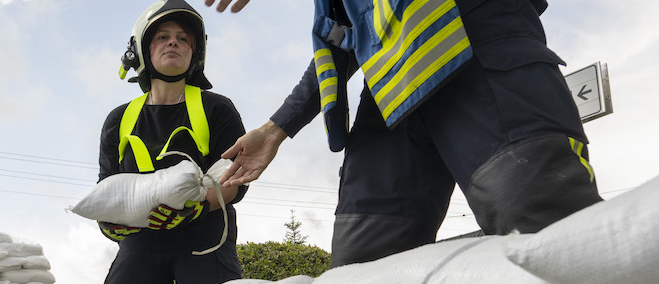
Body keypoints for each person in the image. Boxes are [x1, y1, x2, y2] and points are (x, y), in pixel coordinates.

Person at [206, 0, 603, 266]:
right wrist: (275, 129)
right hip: (392, 90)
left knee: (551, 238)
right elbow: (347, 39)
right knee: (361, 277)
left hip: (477, 41)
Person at [96, 0, 249, 284]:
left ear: (195, 52)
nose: (173, 42)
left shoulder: (216, 108)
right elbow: (105, 187)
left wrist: (195, 208)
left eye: (183, 38)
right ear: (140, 51)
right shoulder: (119, 120)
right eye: (162, 36)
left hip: (204, 236)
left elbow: (235, 177)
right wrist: (108, 224)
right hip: (140, 240)